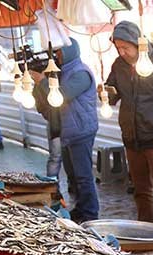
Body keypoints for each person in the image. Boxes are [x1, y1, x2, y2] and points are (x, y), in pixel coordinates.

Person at [106, 21, 153, 228]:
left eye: (125, 48)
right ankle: (147, 232)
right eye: (118, 48)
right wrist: (106, 93)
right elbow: (113, 92)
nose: (122, 52)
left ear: (137, 44)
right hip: (131, 137)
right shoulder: (118, 66)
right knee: (141, 189)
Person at [56, 39, 100, 222]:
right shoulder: (64, 72)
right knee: (73, 176)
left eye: (59, 52)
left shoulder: (80, 73)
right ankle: (81, 208)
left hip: (81, 130)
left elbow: (61, 95)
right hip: (69, 131)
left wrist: (42, 80)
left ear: (68, 52)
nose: (56, 56)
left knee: (83, 176)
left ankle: (90, 213)